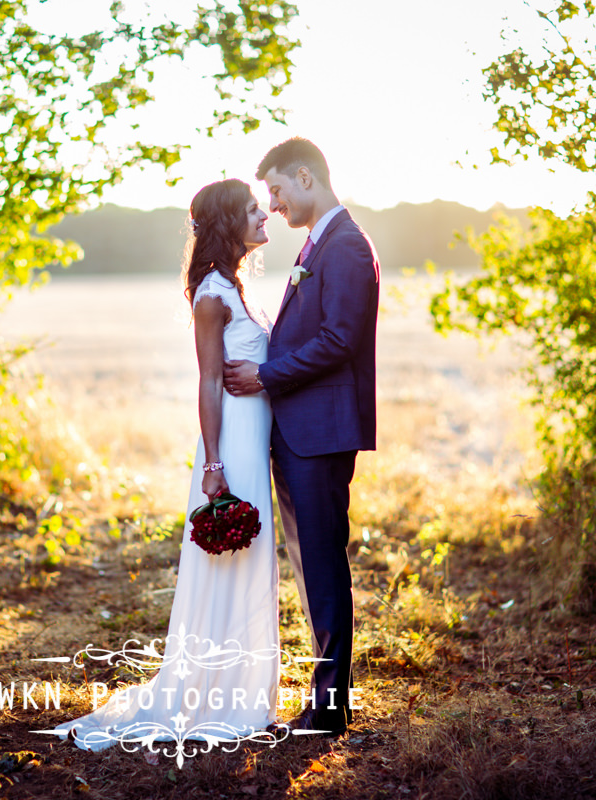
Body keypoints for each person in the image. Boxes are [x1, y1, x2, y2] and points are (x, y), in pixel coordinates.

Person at [54, 178, 280, 751]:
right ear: (230, 221)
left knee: (250, 561)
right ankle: (215, 689)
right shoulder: (212, 294)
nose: (264, 215)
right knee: (231, 558)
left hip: (255, 439)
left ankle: (243, 683)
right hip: (231, 445)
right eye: (254, 209)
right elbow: (208, 381)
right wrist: (213, 463)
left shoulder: (237, 286)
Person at [224, 137, 380, 737]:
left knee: (321, 565)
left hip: (318, 436)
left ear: (306, 178)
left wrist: (264, 374)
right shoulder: (322, 243)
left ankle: (331, 707)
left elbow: (340, 341)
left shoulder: (344, 248)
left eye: (278, 191)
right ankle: (325, 699)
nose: (275, 205)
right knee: (310, 567)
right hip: (300, 433)